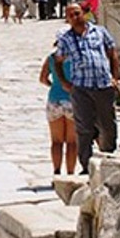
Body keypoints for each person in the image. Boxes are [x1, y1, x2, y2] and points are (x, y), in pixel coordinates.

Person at [54, 3, 120, 174]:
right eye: (70, 15)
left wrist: (114, 77)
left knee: (108, 124)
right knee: (84, 128)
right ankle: (86, 165)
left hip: (103, 84)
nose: (75, 17)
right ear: (67, 19)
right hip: (81, 87)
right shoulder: (66, 39)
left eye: (77, 13)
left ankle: (109, 157)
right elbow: (58, 60)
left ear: (83, 13)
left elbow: (112, 53)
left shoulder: (100, 32)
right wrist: (63, 81)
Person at [39, 45, 78, 175]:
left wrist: (54, 86)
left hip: (54, 100)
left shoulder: (51, 58)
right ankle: (71, 173)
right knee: (72, 142)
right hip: (72, 100)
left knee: (56, 141)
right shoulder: (77, 58)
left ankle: (56, 171)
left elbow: (43, 79)